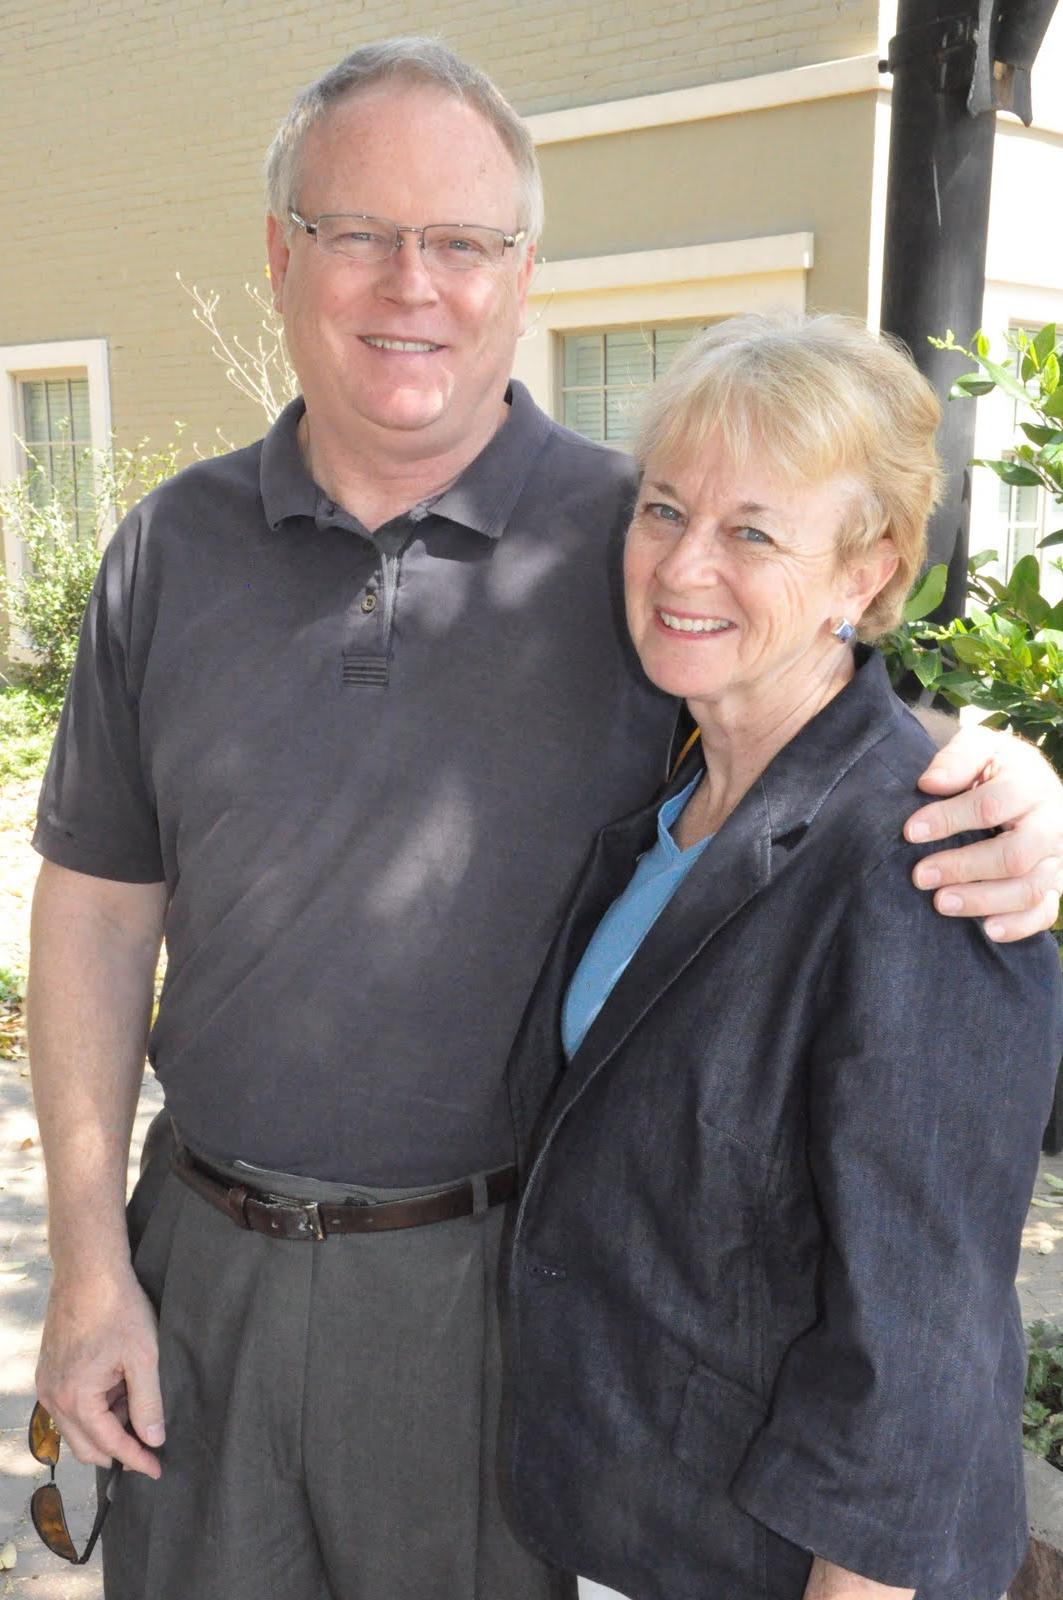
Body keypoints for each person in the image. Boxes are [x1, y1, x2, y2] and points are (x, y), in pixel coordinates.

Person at [25, 38, 1063, 1600]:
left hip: (497, 1301)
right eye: (355, 232)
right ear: (277, 255)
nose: (408, 283)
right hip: (198, 1275)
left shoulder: (633, 537)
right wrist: (90, 1266)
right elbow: (98, 908)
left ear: (523, 271)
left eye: (461, 240)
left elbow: (834, 735)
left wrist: (1021, 787)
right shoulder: (167, 553)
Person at [503, 313, 1063, 1600]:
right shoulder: (680, 788)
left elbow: (914, 1352)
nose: (682, 564)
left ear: (866, 574)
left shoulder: (924, 858)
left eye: (752, 530)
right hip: (633, 1529)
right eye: (660, 510)